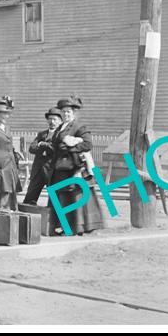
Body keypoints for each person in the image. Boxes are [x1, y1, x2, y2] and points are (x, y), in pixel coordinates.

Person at [48, 95, 106, 236]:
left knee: (76, 197)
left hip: (74, 168)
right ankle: (65, 227)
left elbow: (87, 144)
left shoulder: (79, 127)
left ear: (74, 113)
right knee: (62, 197)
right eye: (64, 112)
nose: (66, 114)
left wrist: (69, 148)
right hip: (60, 168)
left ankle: (81, 227)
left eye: (68, 112)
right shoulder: (59, 128)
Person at [24, 107, 63, 204]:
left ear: (60, 121)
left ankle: (53, 218)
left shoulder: (61, 135)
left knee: (54, 200)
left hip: (52, 171)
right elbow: (31, 148)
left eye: (55, 119)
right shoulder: (41, 134)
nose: (52, 122)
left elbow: (55, 149)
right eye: (50, 119)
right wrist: (44, 148)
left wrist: (42, 144)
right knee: (30, 199)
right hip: (38, 170)